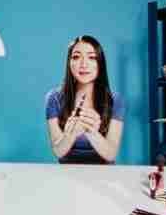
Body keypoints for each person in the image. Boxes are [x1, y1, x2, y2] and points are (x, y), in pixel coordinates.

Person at [45, 35, 123, 164]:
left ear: (100, 63)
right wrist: (71, 134)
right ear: (69, 63)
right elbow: (58, 151)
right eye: (76, 57)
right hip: (67, 171)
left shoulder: (114, 100)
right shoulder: (54, 98)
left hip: (104, 172)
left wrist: (91, 132)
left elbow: (111, 154)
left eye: (91, 57)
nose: (83, 64)